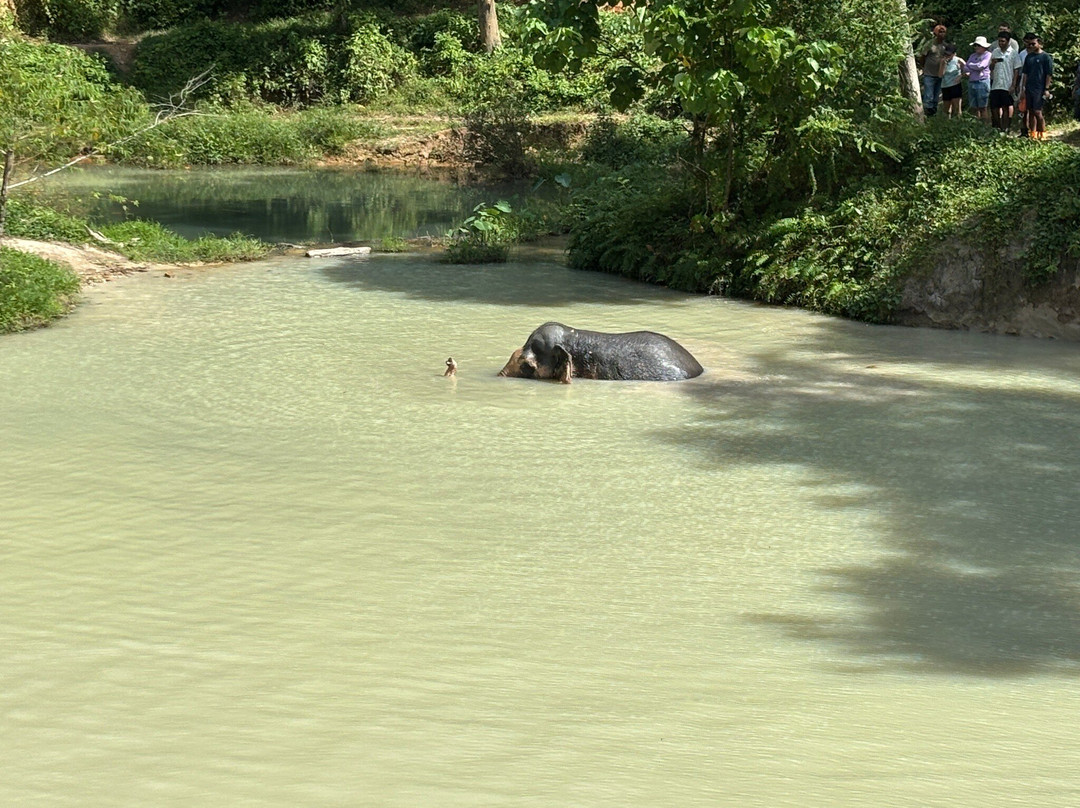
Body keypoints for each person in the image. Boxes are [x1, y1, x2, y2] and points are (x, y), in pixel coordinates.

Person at [1019, 34, 1054, 139]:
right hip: (1029, 87)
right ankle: (1032, 133)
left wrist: (1046, 89)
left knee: (1038, 111)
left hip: (1040, 88)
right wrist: (1023, 88)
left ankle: (1042, 132)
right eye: (1029, 44)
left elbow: (1049, 74)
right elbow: (1025, 74)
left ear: (1040, 44)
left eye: (1033, 44)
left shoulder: (1046, 57)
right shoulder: (1029, 57)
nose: (1031, 46)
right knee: (1030, 111)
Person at [989, 32, 1020, 132]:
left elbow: (1016, 70)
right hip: (996, 84)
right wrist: (992, 64)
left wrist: (1013, 85)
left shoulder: (1013, 53)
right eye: (999, 41)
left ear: (1008, 41)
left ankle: (1005, 128)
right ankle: (996, 127)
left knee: (1006, 107)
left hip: (1007, 84)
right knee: (994, 107)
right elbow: (990, 68)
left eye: (1003, 41)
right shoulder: (995, 52)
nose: (1000, 43)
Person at [919, 24, 949, 117]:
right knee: (928, 95)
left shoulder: (945, 46)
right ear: (936, 33)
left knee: (937, 96)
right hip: (929, 74)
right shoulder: (929, 44)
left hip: (940, 74)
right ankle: (926, 114)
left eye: (944, 32)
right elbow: (922, 56)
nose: (942, 34)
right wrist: (923, 67)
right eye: (940, 32)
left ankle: (934, 114)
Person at [963, 36, 992, 121]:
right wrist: (974, 66)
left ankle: (985, 126)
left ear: (984, 46)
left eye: (978, 45)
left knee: (983, 107)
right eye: (975, 45)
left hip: (982, 82)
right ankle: (975, 125)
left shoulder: (988, 55)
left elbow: (981, 66)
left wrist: (971, 65)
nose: (976, 47)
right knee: (973, 107)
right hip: (972, 82)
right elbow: (965, 68)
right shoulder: (972, 56)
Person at [941, 44, 966, 119]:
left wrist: (961, 76)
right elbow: (940, 75)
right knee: (946, 109)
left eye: (949, 54)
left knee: (957, 108)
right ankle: (947, 124)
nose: (947, 55)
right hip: (945, 86)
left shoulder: (959, 60)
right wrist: (944, 65)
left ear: (954, 54)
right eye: (946, 54)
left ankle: (959, 122)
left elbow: (968, 70)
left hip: (955, 85)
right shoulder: (943, 61)